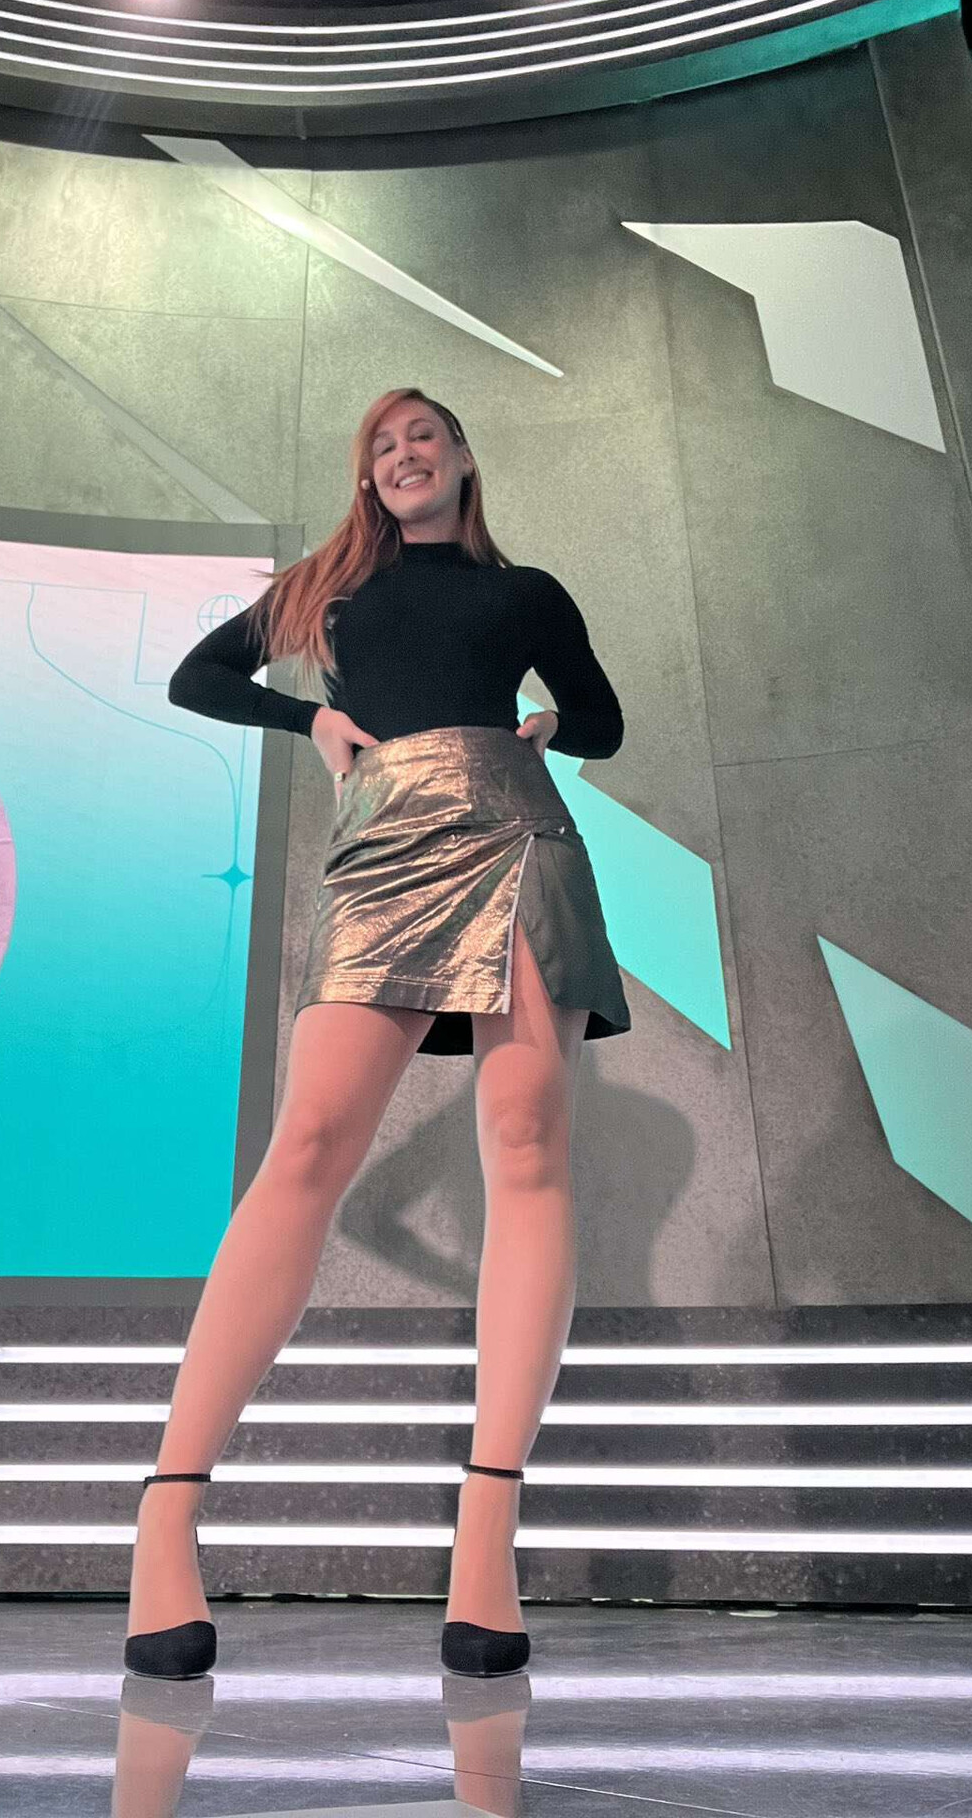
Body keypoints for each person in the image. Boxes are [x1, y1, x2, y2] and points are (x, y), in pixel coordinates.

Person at [128, 386, 631, 1684]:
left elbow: (604, 718)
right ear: (369, 476)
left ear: (461, 456)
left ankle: (487, 1535)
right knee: (307, 1148)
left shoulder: (526, 592)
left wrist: (550, 724)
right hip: (385, 842)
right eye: (383, 445)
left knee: (528, 1147)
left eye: (424, 436)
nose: (405, 454)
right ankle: (167, 1515)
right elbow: (198, 675)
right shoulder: (329, 587)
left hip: (515, 832)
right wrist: (312, 719)